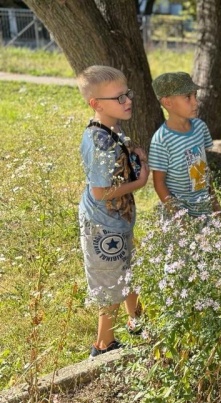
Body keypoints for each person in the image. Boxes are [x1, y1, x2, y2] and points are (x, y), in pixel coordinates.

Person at [76, 65, 149, 357]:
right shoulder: (99, 143)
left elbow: (122, 146)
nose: (127, 101)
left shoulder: (110, 128)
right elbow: (99, 191)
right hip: (102, 226)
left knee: (127, 271)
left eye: (127, 94)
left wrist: (135, 153)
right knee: (111, 283)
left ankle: (137, 322)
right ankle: (103, 346)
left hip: (118, 221)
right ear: (95, 104)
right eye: (119, 98)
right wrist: (140, 182)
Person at [149, 72, 220, 217]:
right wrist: (179, 219)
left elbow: (203, 168)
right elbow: (159, 184)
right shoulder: (161, 140)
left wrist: (215, 205)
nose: (195, 102)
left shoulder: (200, 127)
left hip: (205, 210)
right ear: (168, 102)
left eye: (195, 96)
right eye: (188, 97)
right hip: (180, 217)